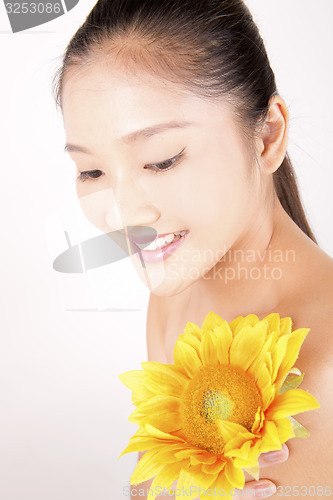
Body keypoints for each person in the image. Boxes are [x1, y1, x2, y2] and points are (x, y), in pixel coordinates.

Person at [53, 0, 333, 497]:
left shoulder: (326, 368)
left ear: (268, 135)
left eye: (161, 161)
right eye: (92, 171)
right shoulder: (173, 298)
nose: (122, 214)